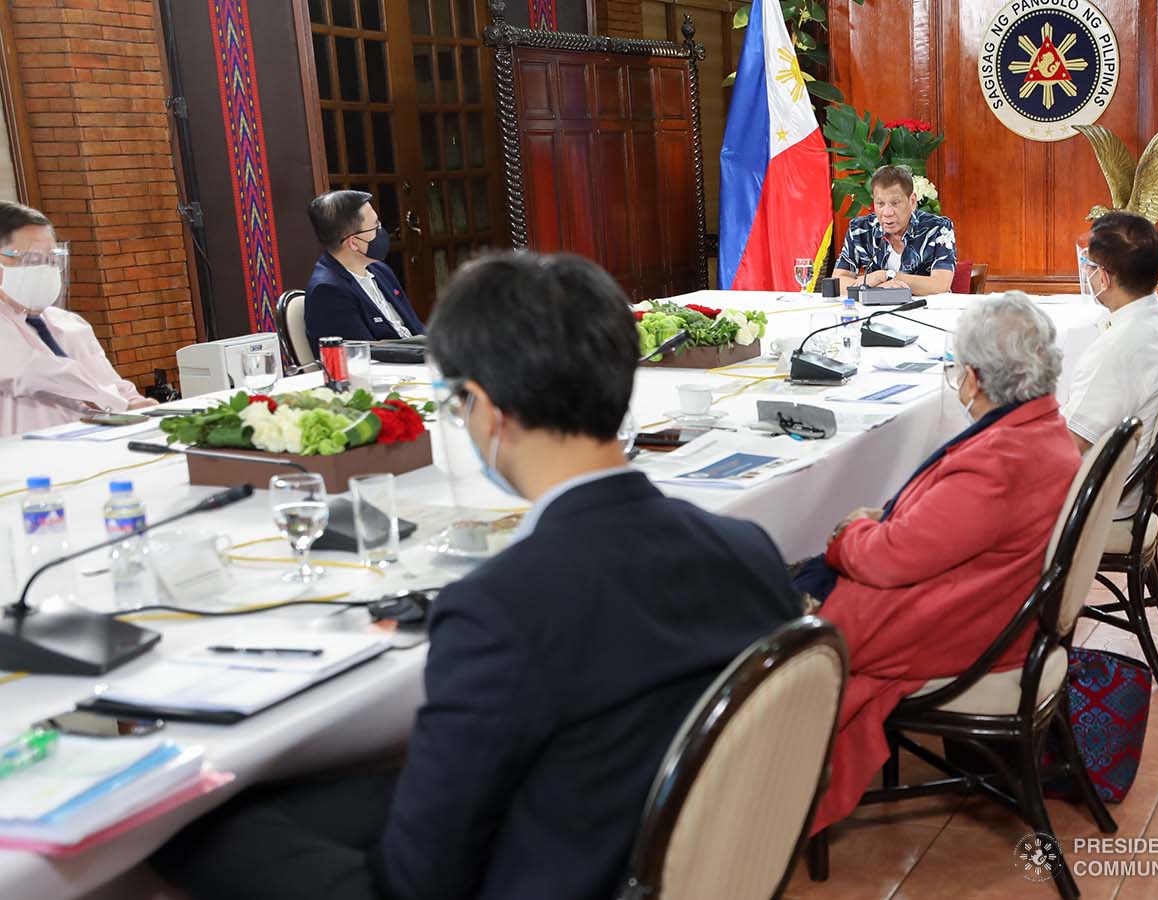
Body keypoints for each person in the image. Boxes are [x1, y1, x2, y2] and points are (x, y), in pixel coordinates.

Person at [152, 252, 801, 900]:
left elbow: (416, 883)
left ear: (485, 409)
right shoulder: (748, 548)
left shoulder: (499, 608)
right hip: (669, 848)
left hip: (561, 873)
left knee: (183, 831)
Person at [793, 292, 1080, 833]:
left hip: (958, 629)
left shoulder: (1000, 461)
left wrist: (848, 533)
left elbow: (888, 558)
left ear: (973, 378)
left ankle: (754, 791)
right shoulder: (1040, 429)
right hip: (991, 609)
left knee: (765, 621)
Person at [1063, 212, 1158, 513]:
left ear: (1103, 277)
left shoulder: (1117, 349)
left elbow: (1069, 445)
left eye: (1089, 267)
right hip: (1129, 488)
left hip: (1095, 503)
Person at [0, 201, 155, 437]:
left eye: (51, 258)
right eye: (32, 259)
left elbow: (106, 379)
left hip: (92, 446)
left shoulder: (70, 324)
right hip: (23, 458)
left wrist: (138, 403)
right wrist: (116, 404)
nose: (45, 269)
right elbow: (33, 372)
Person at [304, 190, 425, 359]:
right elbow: (365, 355)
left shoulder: (380, 270)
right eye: (376, 226)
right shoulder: (327, 291)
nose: (382, 232)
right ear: (354, 243)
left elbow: (416, 328)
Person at [832, 164, 957, 296]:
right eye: (880, 204)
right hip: (873, 311)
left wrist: (886, 275)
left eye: (895, 203)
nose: (887, 213)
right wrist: (878, 287)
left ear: (912, 201)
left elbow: (940, 285)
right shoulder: (859, 230)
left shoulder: (938, 228)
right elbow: (837, 281)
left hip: (923, 311)